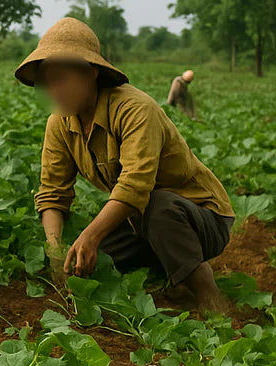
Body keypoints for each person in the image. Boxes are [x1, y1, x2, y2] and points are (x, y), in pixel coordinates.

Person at [17, 18, 234, 312]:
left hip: (202, 217)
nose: (54, 91)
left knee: (157, 206)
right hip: (140, 220)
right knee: (83, 259)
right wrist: (55, 251)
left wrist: (91, 236)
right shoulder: (59, 123)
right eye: (48, 81)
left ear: (91, 72)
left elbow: (135, 186)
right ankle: (169, 270)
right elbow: (53, 192)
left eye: (62, 78)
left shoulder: (134, 109)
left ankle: (204, 288)